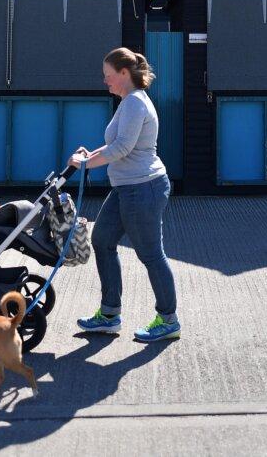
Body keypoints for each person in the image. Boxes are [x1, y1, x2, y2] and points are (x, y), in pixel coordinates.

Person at [68, 47, 178, 343]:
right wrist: (89, 155)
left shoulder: (134, 104)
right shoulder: (129, 102)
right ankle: (109, 314)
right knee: (102, 240)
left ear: (124, 73)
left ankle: (168, 320)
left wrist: (84, 163)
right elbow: (116, 145)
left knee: (151, 254)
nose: (105, 82)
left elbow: (121, 149)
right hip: (126, 188)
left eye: (108, 76)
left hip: (143, 189)